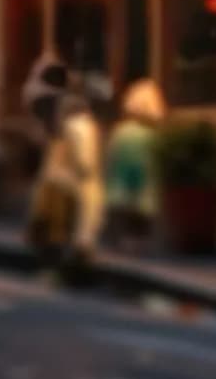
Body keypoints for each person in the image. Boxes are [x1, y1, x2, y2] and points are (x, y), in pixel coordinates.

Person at [23, 58, 105, 269]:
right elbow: (84, 160)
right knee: (77, 222)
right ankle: (74, 257)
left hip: (55, 177)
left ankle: (59, 257)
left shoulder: (53, 113)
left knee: (56, 224)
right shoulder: (79, 124)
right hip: (71, 180)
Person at [104, 79, 165, 252]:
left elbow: (112, 158)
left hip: (121, 189)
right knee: (141, 211)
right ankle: (137, 241)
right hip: (144, 192)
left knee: (123, 210)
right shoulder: (153, 135)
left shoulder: (121, 131)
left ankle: (120, 239)